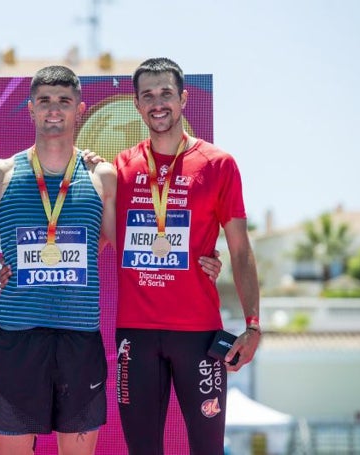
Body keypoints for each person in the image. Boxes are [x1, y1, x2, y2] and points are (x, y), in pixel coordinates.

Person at [114, 57, 261, 454]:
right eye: (148, 95)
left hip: (198, 333)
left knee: (208, 449)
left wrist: (252, 324)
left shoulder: (218, 164)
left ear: (184, 99)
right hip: (136, 334)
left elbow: (241, 250)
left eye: (166, 93)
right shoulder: (119, 168)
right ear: (137, 104)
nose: (157, 103)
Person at [0, 65, 117, 455]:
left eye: (63, 101)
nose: (53, 110)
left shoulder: (102, 176)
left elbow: (112, 245)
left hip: (79, 337)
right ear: (30, 110)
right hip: (18, 336)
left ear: (80, 109)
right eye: (44, 101)